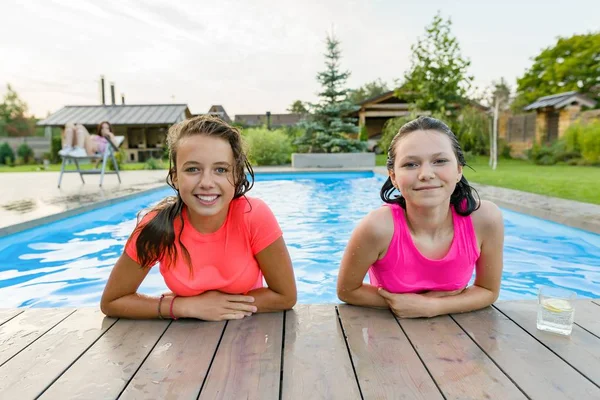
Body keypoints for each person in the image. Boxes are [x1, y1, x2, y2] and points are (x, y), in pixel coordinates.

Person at [101, 115, 297, 320]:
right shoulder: (156, 226)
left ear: (237, 175)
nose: (206, 182)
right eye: (193, 169)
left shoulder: (253, 215)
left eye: (220, 170)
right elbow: (112, 301)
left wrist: (219, 306)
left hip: (246, 335)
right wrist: (184, 307)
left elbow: (285, 296)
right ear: (175, 176)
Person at [337, 116, 504, 318]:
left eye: (440, 161)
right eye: (410, 164)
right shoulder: (378, 227)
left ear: (459, 170)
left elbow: (488, 290)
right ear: (393, 177)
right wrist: (408, 305)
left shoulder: (484, 219)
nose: (426, 174)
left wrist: (430, 307)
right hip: (389, 337)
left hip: (460, 338)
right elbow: (347, 290)